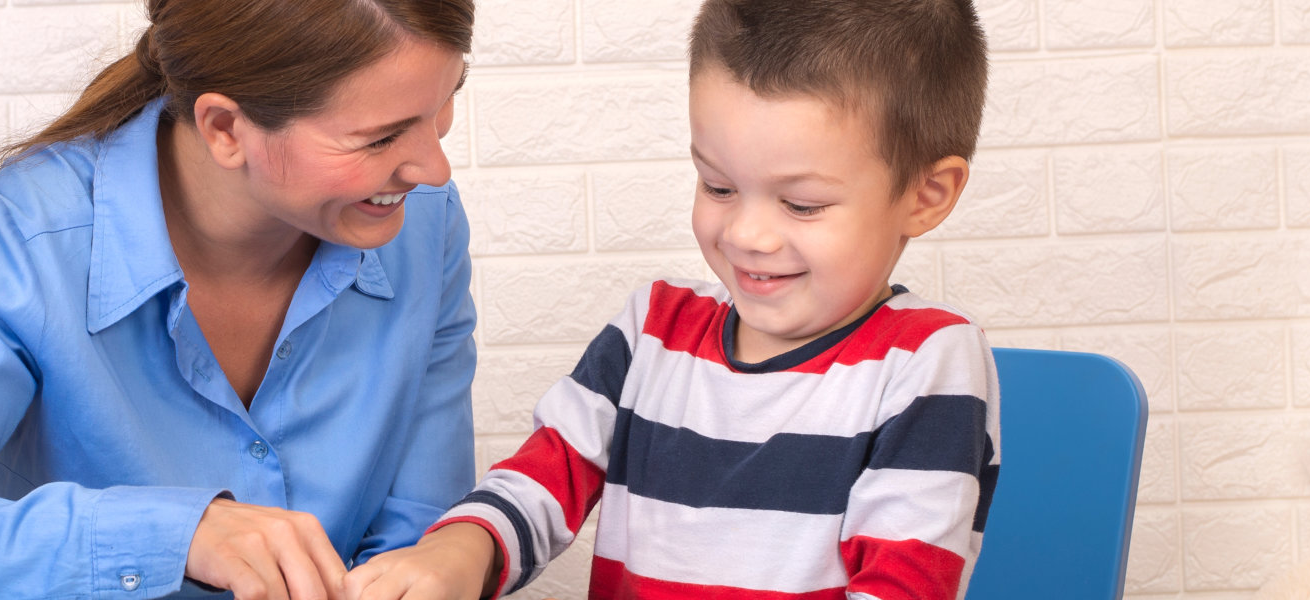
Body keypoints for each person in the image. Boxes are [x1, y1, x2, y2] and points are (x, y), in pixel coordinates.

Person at [0, 1, 478, 598]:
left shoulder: (423, 226)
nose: (432, 168)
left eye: (442, 111)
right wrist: (175, 534)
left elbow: (418, 528)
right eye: (381, 136)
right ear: (225, 129)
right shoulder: (19, 242)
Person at [340, 1, 999, 599]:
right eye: (718, 186)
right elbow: (545, 478)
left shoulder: (927, 361)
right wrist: (460, 551)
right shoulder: (652, 330)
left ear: (926, 195)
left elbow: (902, 586)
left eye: (802, 204)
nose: (746, 233)